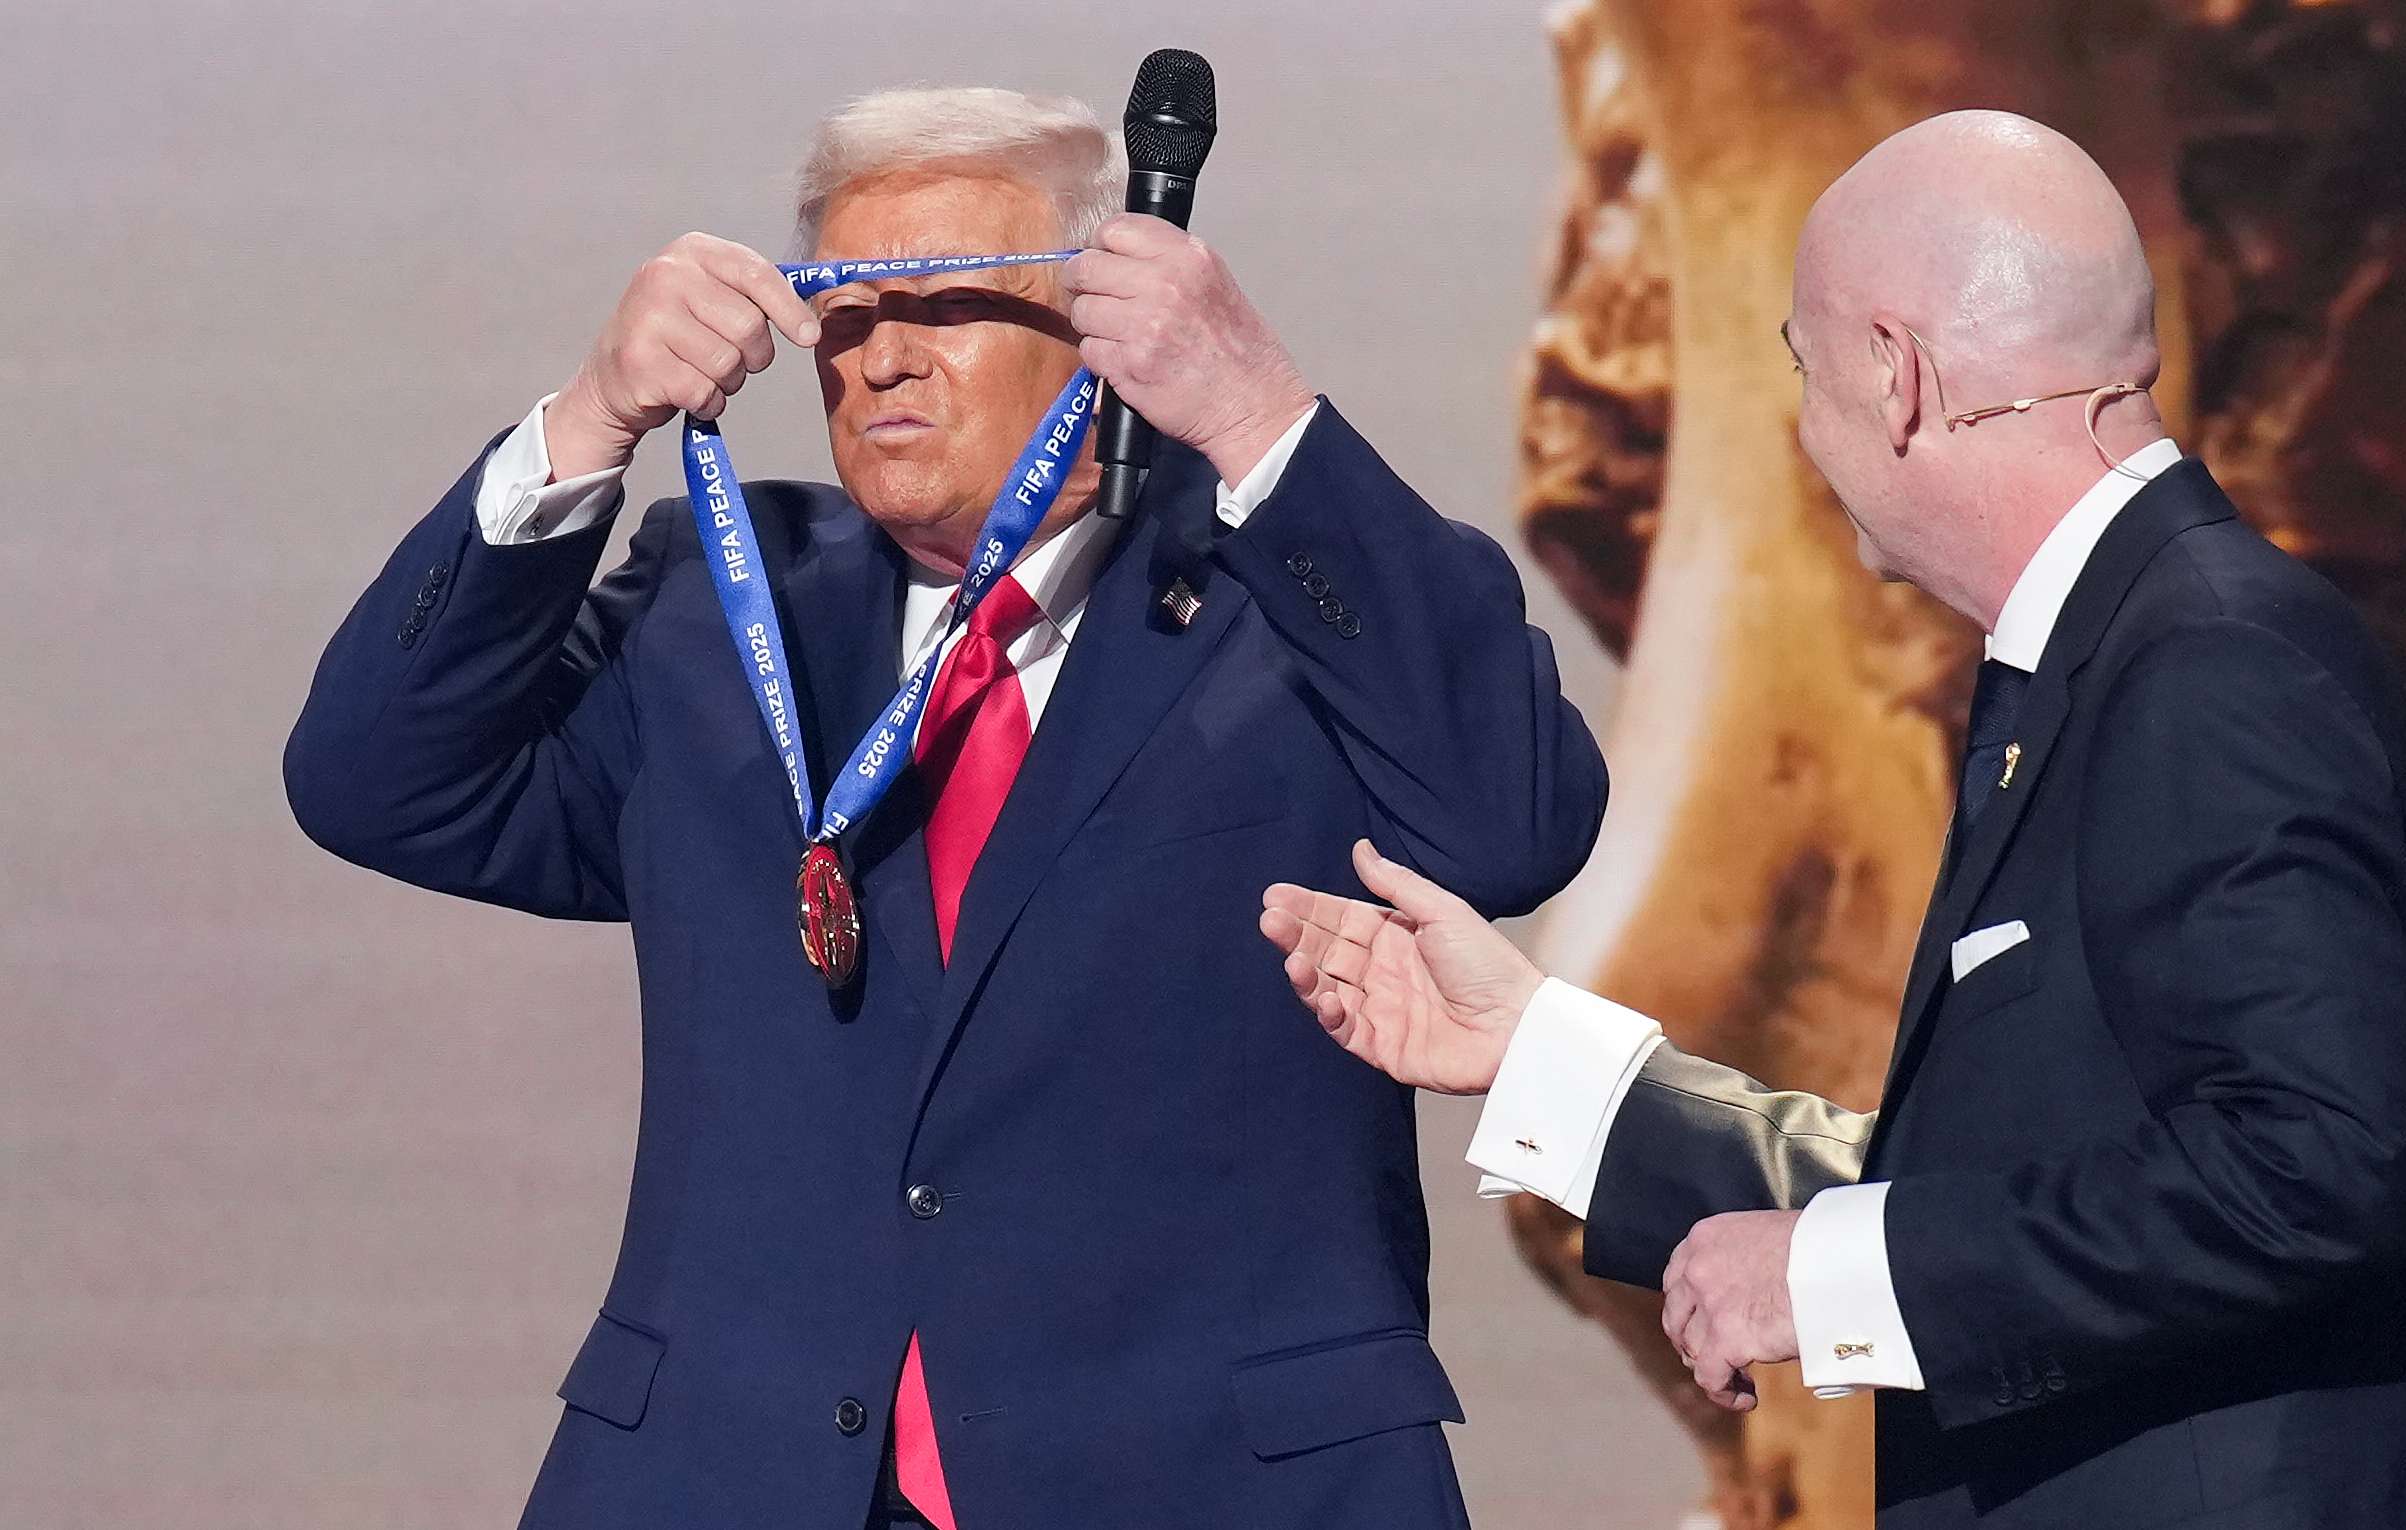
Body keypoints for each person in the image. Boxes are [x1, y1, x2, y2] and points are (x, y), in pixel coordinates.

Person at [285, 86, 1605, 1530]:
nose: (885, 358)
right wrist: (587, 421)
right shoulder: (722, 611)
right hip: (734, 1474)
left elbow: (1513, 821)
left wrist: (1249, 410)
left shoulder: (1284, 611)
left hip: (1201, 1481)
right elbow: (374, 775)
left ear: (1106, 331)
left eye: (948, 305)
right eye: (841, 313)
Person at [1260, 111, 2406, 1529]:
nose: (1805, 430)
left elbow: (2305, 1166)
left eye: (1804, 371)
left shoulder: (2209, 664)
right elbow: (2010, 1179)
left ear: (1901, 375)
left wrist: (1834, 1278)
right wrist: (1534, 1050)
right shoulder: (2108, 659)